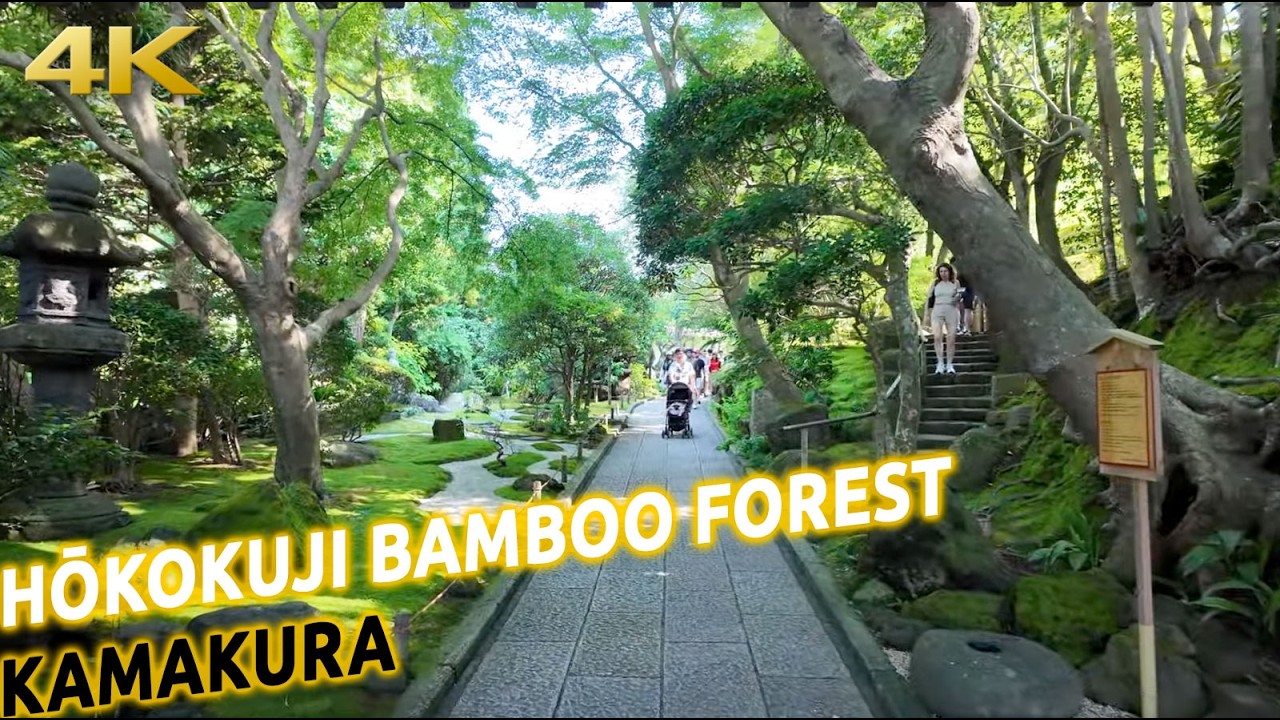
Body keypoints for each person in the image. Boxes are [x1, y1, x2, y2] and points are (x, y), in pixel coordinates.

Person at [924, 263, 962, 375]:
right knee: (937, 337)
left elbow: (959, 296)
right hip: (938, 309)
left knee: (951, 338)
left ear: (949, 272)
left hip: (951, 309)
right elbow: (929, 298)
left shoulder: (955, 282)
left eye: (945, 271)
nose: (943, 274)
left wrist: (957, 297)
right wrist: (926, 314)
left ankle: (949, 364)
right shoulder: (935, 283)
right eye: (941, 271)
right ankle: (940, 363)